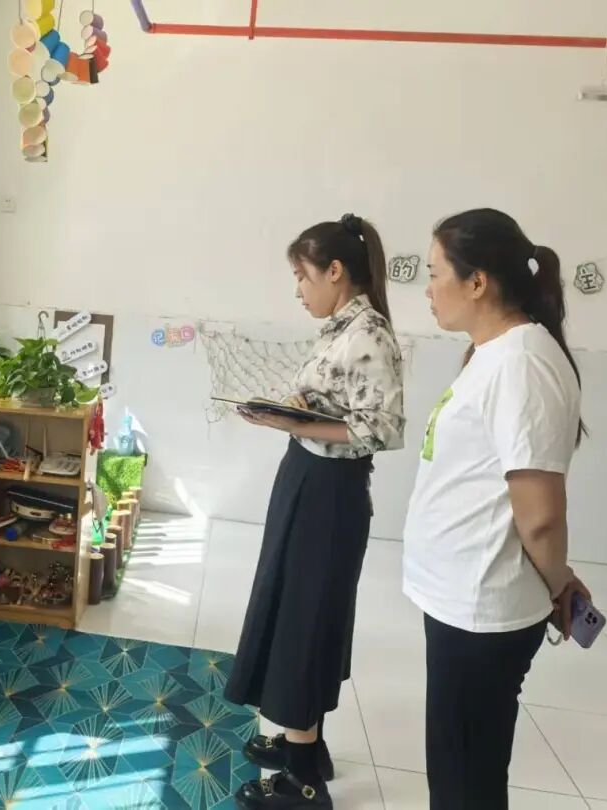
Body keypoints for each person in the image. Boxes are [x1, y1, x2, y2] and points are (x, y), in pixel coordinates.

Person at [403, 209, 592, 809]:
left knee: (466, 783)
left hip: (481, 608)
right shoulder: (497, 353)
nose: (428, 289)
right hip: (464, 599)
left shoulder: (521, 362)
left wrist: (558, 583)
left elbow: (540, 514)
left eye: (435, 274)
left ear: (478, 282)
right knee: (461, 771)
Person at [228, 215, 405, 810]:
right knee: (293, 609)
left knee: (305, 620)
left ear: (335, 272)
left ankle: (304, 782)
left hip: (330, 492)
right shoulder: (340, 329)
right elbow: (336, 405)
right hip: (308, 478)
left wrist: (291, 422)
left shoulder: (369, 334)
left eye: (303, 276)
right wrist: (294, 410)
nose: (298, 289)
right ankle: (307, 744)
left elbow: (379, 429)